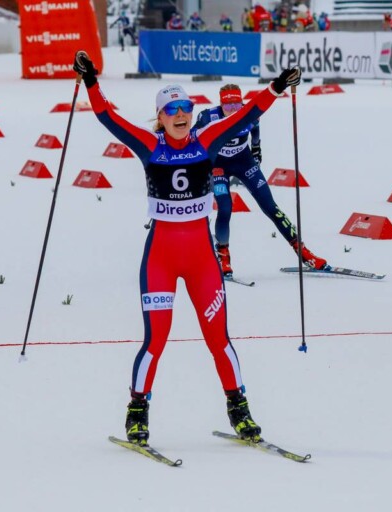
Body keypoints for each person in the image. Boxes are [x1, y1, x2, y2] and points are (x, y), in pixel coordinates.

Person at [73, 51, 302, 446]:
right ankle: (137, 411)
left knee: (219, 340)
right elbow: (109, 118)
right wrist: (91, 80)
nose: (181, 115)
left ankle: (239, 410)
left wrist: (277, 87)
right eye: (172, 109)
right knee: (155, 340)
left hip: (201, 260)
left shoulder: (207, 140)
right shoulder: (149, 144)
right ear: (160, 116)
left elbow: (245, 116)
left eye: (187, 108)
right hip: (161, 258)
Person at [193, 84, 329, 277]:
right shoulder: (207, 117)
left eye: (236, 104)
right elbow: (191, 139)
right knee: (225, 207)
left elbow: (255, 133)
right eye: (227, 105)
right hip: (218, 166)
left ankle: (303, 252)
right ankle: (223, 255)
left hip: (244, 162)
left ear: (242, 102)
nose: (232, 109)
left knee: (270, 206)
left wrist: (256, 153)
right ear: (220, 104)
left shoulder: (250, 113)